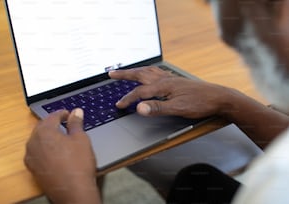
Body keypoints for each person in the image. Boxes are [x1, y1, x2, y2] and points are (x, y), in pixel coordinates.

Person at [24, 0, 289, 203]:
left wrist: (74, 191)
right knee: (195, 180)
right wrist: (229, 100)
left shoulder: (274, 177)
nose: (227, 33)